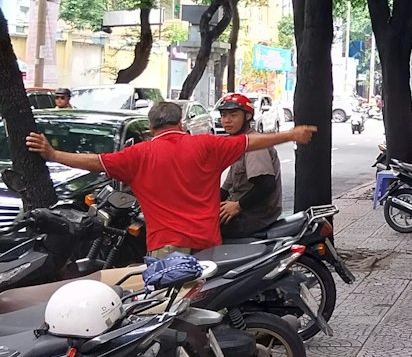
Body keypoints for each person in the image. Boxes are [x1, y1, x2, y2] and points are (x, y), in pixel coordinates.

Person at [27, 98, 315, 257]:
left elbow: (95, 163)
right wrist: (292, 134)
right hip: (207, 241)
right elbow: (252, 142)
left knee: (170, 314)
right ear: (180, 123)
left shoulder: (138, 155)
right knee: (203, 303)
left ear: (152, 127)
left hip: (167, 245)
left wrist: (52, 154)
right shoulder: (206, 145)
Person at [217, 92, 283, 237]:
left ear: (247, 117)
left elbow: (266, 184)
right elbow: (226, 189)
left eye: (233, 115)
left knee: (202, 231)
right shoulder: (239, 144)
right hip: (244, 209)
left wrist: (238, 206)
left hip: (256, 215)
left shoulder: (254, 144)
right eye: (223, 116)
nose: (227, 120)